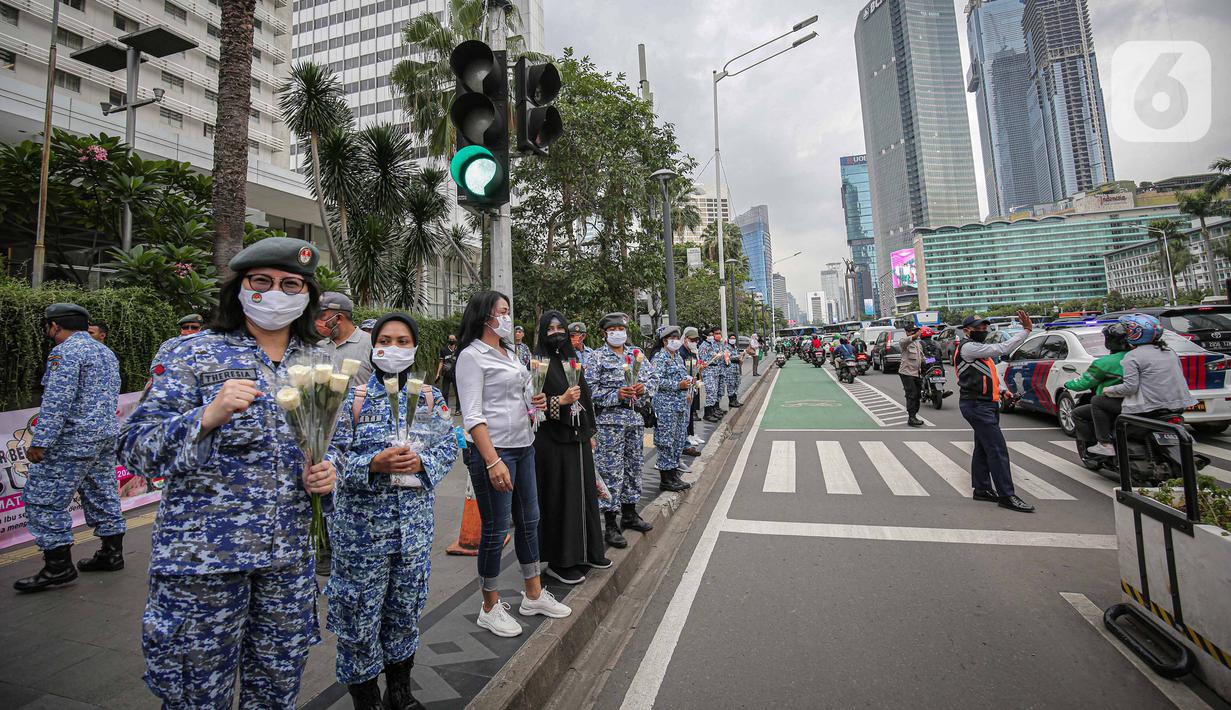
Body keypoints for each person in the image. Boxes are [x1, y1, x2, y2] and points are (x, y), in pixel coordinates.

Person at [117, 237, 337, 707]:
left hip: (288, 566)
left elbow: (333, 443)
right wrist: (206, 417)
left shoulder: (318, 362)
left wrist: (328, 472)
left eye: (290, 284)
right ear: (240, 287)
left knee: (277, 691)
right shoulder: (191, 353)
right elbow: (135, 450)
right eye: (263, 281)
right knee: (198, 694)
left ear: (306, 296)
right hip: (205, 564)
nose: (276, 292)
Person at [325, 313, 457, 709]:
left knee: (404, 613)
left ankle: (400, 695)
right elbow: (327, 459)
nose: (394, 349)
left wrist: (423, 464)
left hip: (413, 534)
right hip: (361, 538)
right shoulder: (350, 399)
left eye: (403, 341)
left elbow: (449, 447)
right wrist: (372, 465)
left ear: (415, 348)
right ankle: (366, 701)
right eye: (385, 340)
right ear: (373, 345)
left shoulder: (430, 398)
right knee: (358, 621)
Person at [454, 291, 570, 639]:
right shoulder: (471, 357)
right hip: (495, 450)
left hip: (524, 445)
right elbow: (473, 414)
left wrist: (533, 401)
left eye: (508, 312)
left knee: (530, 521)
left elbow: (517, 396)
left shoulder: (511, 352)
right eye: (502, 312)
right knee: (494, 529)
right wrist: (492, 461)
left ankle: (533, 593)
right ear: (485, 316)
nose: (507, 318)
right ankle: (489, 606)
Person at [14, 303, 126, 592]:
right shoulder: (104, 351)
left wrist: (41, 441)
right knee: (101, 489)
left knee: (43, 499)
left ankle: (58, 567)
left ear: (54, 326)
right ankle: (112, 553)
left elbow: (57, 401)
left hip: (73, 439)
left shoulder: (65, 352)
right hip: (104, 436)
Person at [532, 311, 610, 586]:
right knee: (560, 498)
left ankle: (587, 551)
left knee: (583, 494)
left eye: (560, 327)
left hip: (577, 439)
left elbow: (584, 395)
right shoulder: (537, 363)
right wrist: (560, 401)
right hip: (552, 441)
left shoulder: (571, 359)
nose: (556, 332)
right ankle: (560, 561)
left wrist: (590, 430)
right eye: (550, 328)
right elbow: (534, 405)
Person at [586, 313, 656, 548]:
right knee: (610, 471)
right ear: (605, 333)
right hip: (609, 423)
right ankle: (611, 523)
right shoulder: (596, 357)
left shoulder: (635, 354)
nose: (618, 333)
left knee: (634, 466)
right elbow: (589, 391)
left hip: (634, 421)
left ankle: (630, 512)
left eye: (621, 328)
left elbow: (653, 378)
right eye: (612, 329)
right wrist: (615, 395)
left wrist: (643, 387)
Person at [955, 311, 1035, 513]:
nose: (983, 331)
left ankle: (981, 489)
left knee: (983, 448)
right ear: (967, 331)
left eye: (985, 328)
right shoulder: (970, 347)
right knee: (997, 451)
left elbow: (983, 377)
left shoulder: (978, 351)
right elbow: (1003, 347)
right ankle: (1006, 495)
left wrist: (1002, 392)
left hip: (984, 403)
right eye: (978, 328)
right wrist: (1026, 331)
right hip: (977, 406)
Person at [1094, 315, 1197, 455]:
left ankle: (1105, 444)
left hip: (1149, 408)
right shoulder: (1169, 352)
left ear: (1135, 334)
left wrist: (1109, 390)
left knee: (1097, 401)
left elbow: (1130, 387)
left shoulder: (1133, 356)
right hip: (1177, 406)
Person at [1066, 322, 1129, 450]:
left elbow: (1083, 383)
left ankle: (1103, 443)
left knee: (1082, 410)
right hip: (1151, 403)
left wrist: (1068, 384)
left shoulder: (1104, 363)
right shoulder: (1146, 357)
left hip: (1118, 403)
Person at [649, 325, 692, 494]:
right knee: (665, 442)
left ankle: (673, 475)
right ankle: (665, 479)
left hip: (680, 405)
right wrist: (677, 385)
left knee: (678, 440)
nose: (675, 341)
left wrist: (687, 386)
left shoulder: (677, 357)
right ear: (664, 340)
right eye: (672, 338)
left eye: (677, 338)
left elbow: (682, 377)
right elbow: (656, 381)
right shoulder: (659, 358)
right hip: (665, 407)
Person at [316, 291, 373, 383]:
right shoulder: (319, 347)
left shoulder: (371, 345)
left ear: (339, 318)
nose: (317, 322)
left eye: (321, 316)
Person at [681, 327, 704, 456]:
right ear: (685, 339)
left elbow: (693, 368)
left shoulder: (691, 352)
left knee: (690, 414)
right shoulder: (682, 353)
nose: (694, 342)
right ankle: (686, 438)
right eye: (692, 340)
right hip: (684, 389)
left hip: (691, 386)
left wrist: (700, 369)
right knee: (685, 416)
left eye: (696, 340)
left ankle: (690, 435)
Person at [898, 322, 926, 427]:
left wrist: (934, 360)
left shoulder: (918, 344)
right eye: (912, 331)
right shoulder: (904, 342)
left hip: (916, 373)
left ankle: (914, 415)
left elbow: (922, 359)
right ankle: (911, 417)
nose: (915, 333)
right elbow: (908, 339)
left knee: (918, 394)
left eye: (915, 331)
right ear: (907, 332)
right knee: (912, 394)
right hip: (906, 372)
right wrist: (916, 335)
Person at [699, 326, 726, 422]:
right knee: (711, 391)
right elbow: (703, 360)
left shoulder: (710, 345)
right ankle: (707, 414)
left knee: (714, 391)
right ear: (705, 336)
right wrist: (715, 356)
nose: (711, 336)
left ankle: (712, 411)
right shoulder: (704, 346)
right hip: (708, 370)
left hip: (715, 370)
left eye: (712, 335)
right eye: (709, 335)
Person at [435, 333, 460, 411]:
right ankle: (445, 410)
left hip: (456, 375)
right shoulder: (444, 350)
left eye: (453, 339)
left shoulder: (459, 350)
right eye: (450, 339)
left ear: (456, 340)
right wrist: (438, 373)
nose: (452, 341)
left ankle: (458, 409)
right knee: (445, 393)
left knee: (457, 393)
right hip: (446, 374)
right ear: (448, 340)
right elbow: (441, 362)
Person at [723, 332, 743, 409]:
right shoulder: (726, 347)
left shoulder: (735, 347)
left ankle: (735, 400)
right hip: (730, 369)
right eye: (731, 338)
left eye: (734, 338)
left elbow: (738, 356)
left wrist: (740, 358)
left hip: (737, 368)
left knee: (736, 384)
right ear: (728, 339)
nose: (733, 340)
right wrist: (738, 357)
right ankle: (731, 401)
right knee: (731, 385)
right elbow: (728, 357)